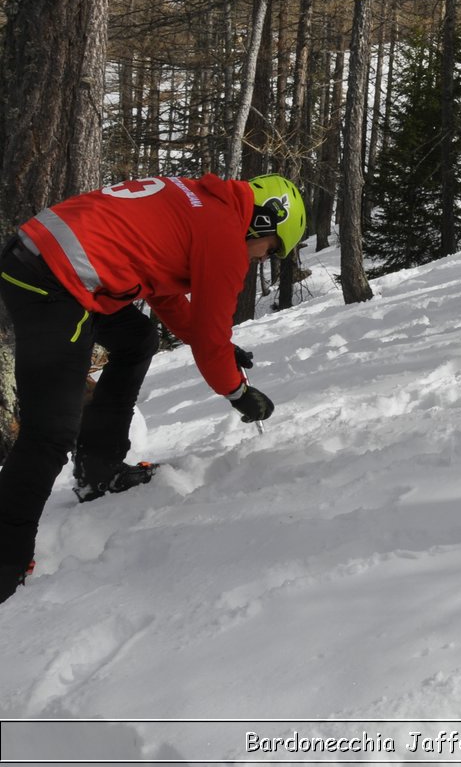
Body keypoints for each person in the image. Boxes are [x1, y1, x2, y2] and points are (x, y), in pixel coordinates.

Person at [0, 173, 304, 603]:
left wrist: (215, 346)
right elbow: (211, 343)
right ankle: (5, 563)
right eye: (270, 249)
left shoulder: (203, 200)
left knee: (137, 338)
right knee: (48, 434)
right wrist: (238, 393)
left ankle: (98, 469)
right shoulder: (224, 237)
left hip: (37, 255)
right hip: (53, 282)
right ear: (265, 222)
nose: (261, 259)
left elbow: (165, 295)